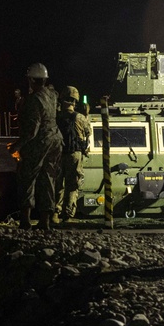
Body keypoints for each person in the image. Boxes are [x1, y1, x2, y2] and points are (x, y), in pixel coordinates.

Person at [8, 63, 62, 230]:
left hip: (40, 142)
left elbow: (32, 130)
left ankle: (25, 221)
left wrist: (17, 146)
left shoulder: (33, 100)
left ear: (31, 80)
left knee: (27, 178)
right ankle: (45, 221)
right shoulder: (52, 95)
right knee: (48, 179)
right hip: (55, 140)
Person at [53, 85, 91, 224]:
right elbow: (88, 133)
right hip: (74, 155)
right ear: (75, 101)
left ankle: (54, 214)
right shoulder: (80, 118)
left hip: (57, 155)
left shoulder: (55, 116)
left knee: (57, 184)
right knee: (72, 185)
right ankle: (68, 215)